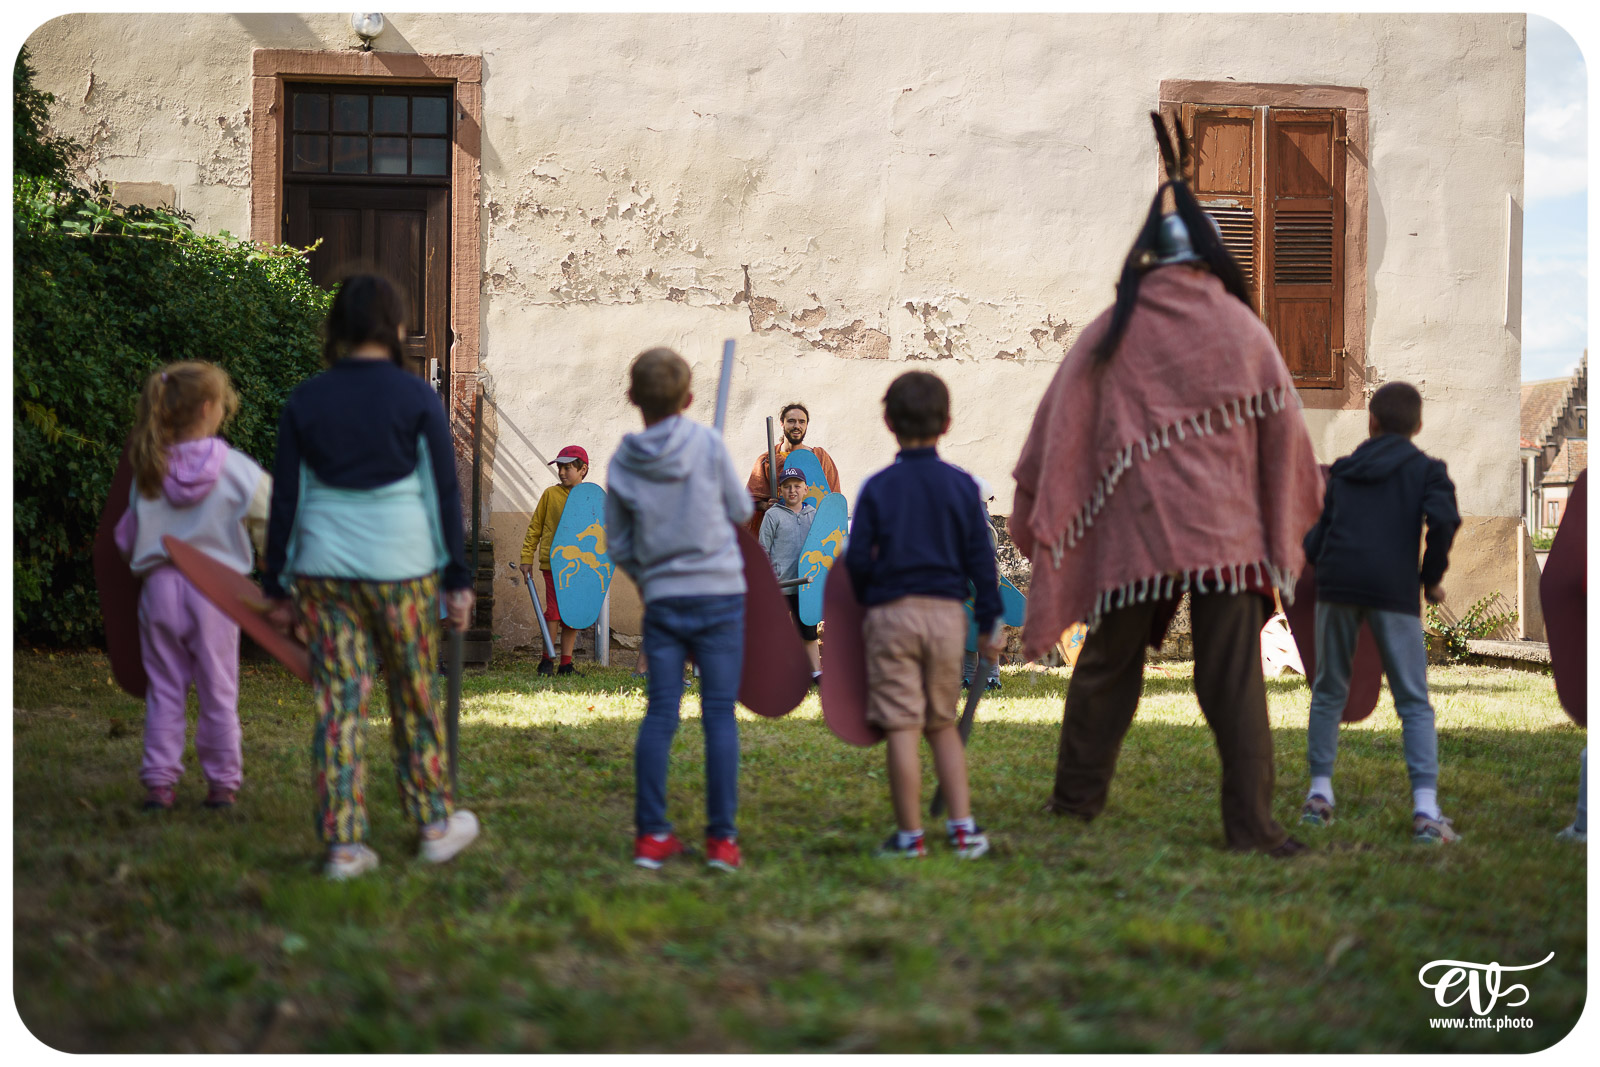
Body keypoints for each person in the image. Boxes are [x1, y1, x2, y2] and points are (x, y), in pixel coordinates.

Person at [1010, 113, 1323, 857]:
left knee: (1108, 664)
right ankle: (1253, 826)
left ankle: (1076, 799)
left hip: (1134, 534)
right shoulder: (1243, 329)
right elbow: (1288, 442)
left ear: (1144, 258)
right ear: (1210, 257)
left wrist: (1044, 503)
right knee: (1233, 680)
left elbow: (1052, 435)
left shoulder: (1112, 326)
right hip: (1227, 536)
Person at [262, 274, 479, 881]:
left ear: (337, 328)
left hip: (323, 573)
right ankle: (435, 824)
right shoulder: (415, 399)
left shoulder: (305, 400)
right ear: (390, 324)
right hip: (402, 571)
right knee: (414, 693)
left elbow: (286, 499)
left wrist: (276, 587)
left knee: (340, 704)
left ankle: (344, 847)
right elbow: (443, 494)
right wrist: (458, 580)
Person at [607, 347, 754, 872]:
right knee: (718, 714)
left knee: (661, 711)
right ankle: (722, 841)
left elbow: (618, 542)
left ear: (632, 399)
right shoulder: (708, 445)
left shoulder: (624, 458)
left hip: (664, 597)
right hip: (719, 595)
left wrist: (648, 578)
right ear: (690, 398)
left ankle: (651, 835)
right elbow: (740, 509)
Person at [845, 371, 1001, 859]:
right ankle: (963, 830)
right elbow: (983, 560)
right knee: (942, 724)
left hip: (893, 616)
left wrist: (871, 603)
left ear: (888, 421)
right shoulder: (962, 488)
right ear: (948, 423)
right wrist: (990, 621)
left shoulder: (877, 488)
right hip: (948, 618)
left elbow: (857, 562)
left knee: (903, 727)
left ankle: (911, 838)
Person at [1299, 381, 1462, 843]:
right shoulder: (1427, 470)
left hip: (1338, 584)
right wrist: (1429, 579)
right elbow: (1444, 521)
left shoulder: (1345, 471)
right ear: (1419, 426)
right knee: (1412, 701)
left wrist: (1311, 562)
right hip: (1393, 589)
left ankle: (1319, 796)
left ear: (1370, 423)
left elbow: (1320, 534)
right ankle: (1426, 812)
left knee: (1329, 690)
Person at [113, 362, 270, 811]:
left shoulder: (150, 468)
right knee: (219, 689)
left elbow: (126, 538)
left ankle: (160, 784)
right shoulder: (237, 469)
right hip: (217, 596)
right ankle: (222, 785)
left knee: (165, 689)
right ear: (208, 408)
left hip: (160, 590)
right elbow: (273, 521)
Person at [520, 445, 590, 676]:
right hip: (553, 563)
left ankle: (566, 664)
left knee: (572, 613)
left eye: (567, 468)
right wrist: (526, 557)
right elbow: (535, 528)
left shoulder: (590, 498)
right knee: (554, 611)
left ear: (583, 470)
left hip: (580, 565)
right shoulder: (550, 495)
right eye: (559, 467)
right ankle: (546, 660)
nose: (561, 472)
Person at [759, 466, 822, 679]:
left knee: (808, 631)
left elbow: (822, 548)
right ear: (781, 492)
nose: (792, 491)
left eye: (797, 486)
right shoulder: (772, 515)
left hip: (805, 585)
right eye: (787, 487)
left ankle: (815, 672)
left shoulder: (813, 515)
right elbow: (763, 549)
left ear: (806, 490)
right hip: (779, 585)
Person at [745, 402, 841, 536]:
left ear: (807, 425)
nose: (797, 426)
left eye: (802, 422)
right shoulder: (767, 460)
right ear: (782, 423)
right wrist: (765, 505)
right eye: (791, 421)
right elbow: (750, 500)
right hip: (779, 534)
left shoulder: (819, 458)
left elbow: (833, 500)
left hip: (812, 535)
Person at [961, 473, 1004, 692]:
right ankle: (969, 676)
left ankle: (990, 676)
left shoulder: (984, 527)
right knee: (969, 627)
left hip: (983, 581)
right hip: (969, 581)